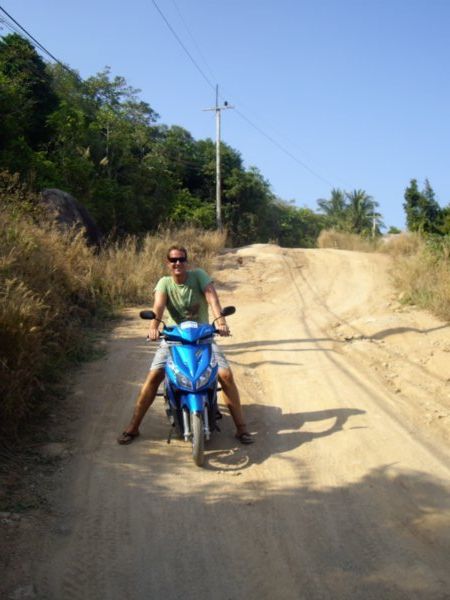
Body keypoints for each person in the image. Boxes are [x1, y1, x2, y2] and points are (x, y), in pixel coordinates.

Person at [117, 244, 253, 445]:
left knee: (225, 374)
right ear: (168, 263)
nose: (177, 263)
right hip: (173, 339)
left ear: (187, 262)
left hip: (203, 337)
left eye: (181, 259)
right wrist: (154, 327)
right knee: (154, 376)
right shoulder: (164, 283)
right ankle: (134, 427)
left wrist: (221, 322)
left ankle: (241, 428)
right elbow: (159, 306)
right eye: (173, 260)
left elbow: (212, 298)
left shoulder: (198, 276)